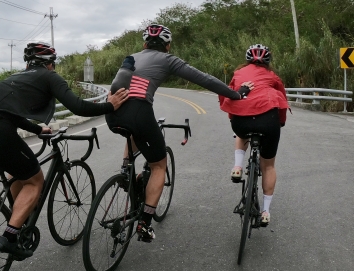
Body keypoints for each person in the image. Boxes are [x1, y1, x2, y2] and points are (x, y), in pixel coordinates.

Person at [0, 42, 129, 259]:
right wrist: (110, 105)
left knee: (18, 172)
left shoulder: (16, 77)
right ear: (50, 64)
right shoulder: (49, 77)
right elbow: (78, 106)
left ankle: (16, 219)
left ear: (28, 63)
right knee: (35, 182)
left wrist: (36, 128)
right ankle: (10, 237)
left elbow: (8, 113)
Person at [108, 24, 253, 242]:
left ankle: (126, 170)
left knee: (132, 131)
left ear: (144, 44)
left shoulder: (132, 57)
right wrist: (236, 94)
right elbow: (204, 79)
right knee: (158, 165)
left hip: (112, 113)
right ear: (167, 45)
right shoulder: (168, 59)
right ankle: (145, 224)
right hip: (140, 112)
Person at [219, 44, 288, 226]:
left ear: (247, 59)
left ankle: (237, 167)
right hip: (269, 121)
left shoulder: (238, 74)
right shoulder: (273, 76)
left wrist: (232, 116)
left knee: (241, 135)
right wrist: (281, 122)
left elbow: (226, 95)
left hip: (241, 122)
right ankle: (265, 211)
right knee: (268, 166)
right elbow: (282, 100)